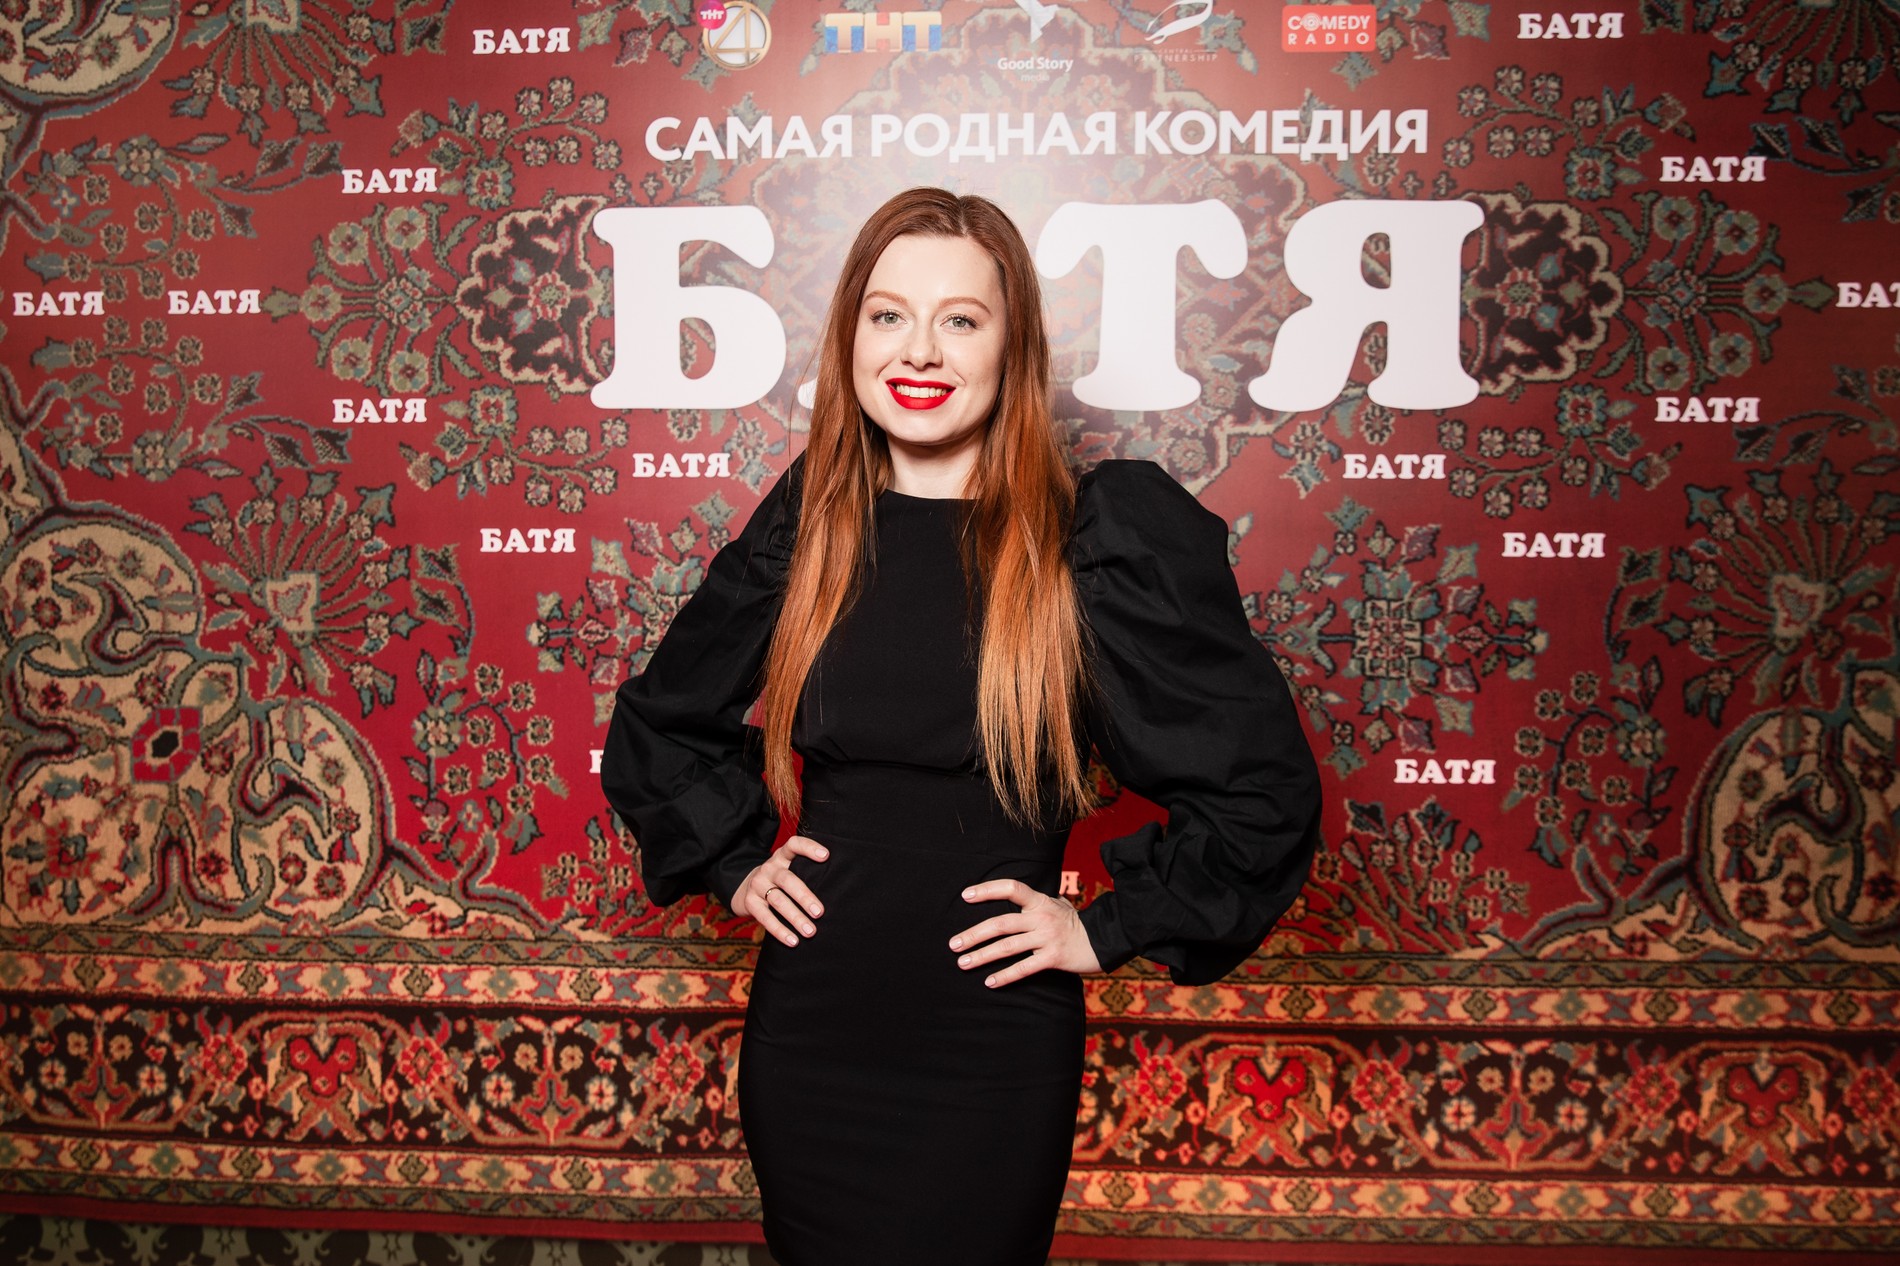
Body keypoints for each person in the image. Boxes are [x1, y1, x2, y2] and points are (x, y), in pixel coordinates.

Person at [600, 187, 1321, 1266]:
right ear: (850, 337)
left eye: (962, 319)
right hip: (812, 1036)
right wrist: (738, 865)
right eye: (888, 315)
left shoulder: (1097, 537)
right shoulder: (811, 523)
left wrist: (1099, 930)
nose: (920, 350)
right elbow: (662, 724)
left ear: (1012, 346)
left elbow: (1263, 792)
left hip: (992, 1050)